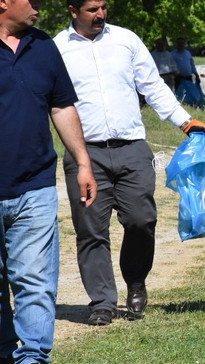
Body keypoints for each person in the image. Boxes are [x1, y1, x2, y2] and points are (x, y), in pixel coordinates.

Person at [53, 0, 205, 326]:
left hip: (133, 149)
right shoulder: (56, 48)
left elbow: (153, 87)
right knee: (91, 231)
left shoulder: (126, 40)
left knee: (142, 220)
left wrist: (185, 121)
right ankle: (102, 302)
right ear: (73, 11)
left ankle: (136, 281)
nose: (100, 14)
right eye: (92, 9)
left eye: (104, 7)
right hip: (85, 154)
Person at [0, 0, 97, 362]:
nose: (39, 5)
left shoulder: (44, 46)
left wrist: (83, 163)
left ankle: (33, 357)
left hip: (36, 185)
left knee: (36, 281)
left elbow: (62, 105)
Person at [171, 36, 205, 107]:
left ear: (184, 44)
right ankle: (179, 104)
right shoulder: (173, 54)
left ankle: (192, 104)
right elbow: (171, 66)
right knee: (179, 92)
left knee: (191, 91)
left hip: (188, 76)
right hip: (178, 77)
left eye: (182, 43)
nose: (181, 45)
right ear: (177, 44)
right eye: (179, 43)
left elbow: (192, 65)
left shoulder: (187, 53)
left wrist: (196, 75)